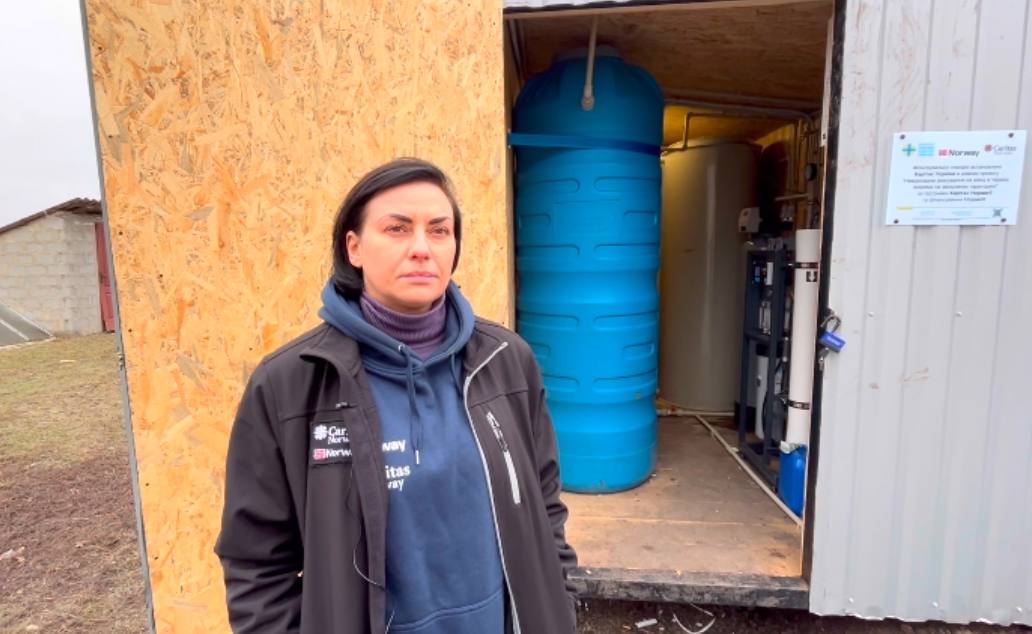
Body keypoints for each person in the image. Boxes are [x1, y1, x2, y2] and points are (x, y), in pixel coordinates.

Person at [215, 158, 578, 634]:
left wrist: (559, 605)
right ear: (354, 247)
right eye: (397, 229)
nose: (422, 249)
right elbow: (256, 563)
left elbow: (544, 504)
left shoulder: (506, 361)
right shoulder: (290, 383)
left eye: (439, 230)